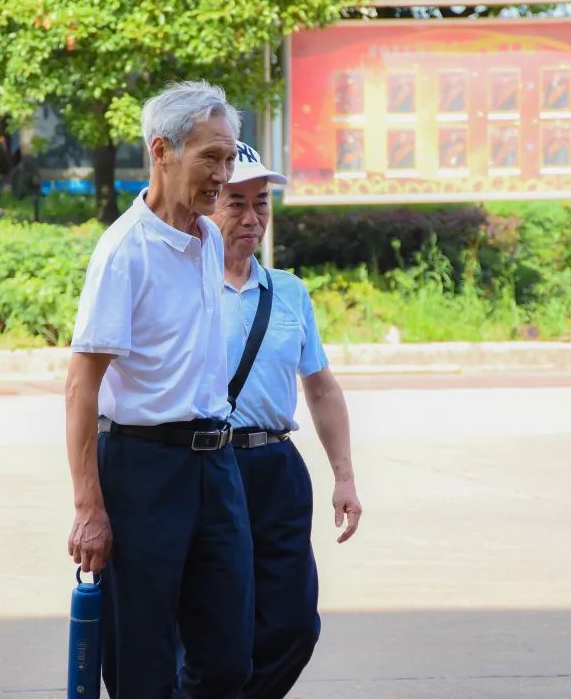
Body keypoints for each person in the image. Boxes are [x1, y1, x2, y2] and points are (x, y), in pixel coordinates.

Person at [65, 81, 252, 699]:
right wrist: (89, 507)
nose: (222, 176)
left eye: (229, 158)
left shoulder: (209, 239)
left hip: (216, 467)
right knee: (141, 664)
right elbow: (81, 386)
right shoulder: (124, 252)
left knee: (228, 658)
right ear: (162, 151)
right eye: (210, 158)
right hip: (143, 470)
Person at [210, 141, 363, 698]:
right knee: (214, 625)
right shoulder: (183, 288)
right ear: (208, 203)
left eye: (262, 203)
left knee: (294, 624)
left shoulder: (290, 293)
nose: (252, 218)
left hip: (277, 467)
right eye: (236, 203)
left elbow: (320, 388)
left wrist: (344, 477)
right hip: (209, 466)